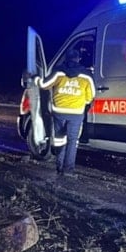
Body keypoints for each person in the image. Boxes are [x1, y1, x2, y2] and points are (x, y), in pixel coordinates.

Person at [37, 48, 95, 177]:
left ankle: (59, 166)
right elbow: (91, 96)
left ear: (66, 58)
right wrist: (82, 101)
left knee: (59, 139)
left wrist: (35, 79)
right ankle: (68, 170)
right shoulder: (86, 75)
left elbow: (44, 85)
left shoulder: (58, 72)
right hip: (76, 112)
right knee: (72, 141)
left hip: (59, 112)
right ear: (78, 58)